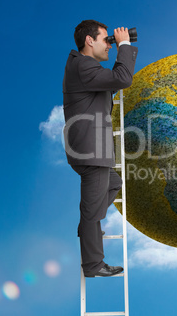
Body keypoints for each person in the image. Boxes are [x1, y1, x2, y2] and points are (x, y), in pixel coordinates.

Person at [62, 20, 138, 277]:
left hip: (94, 150)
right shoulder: (84, 65)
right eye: (106, 39)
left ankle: (88, 226)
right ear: (89, 41)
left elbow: (114, 82)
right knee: (92, 211)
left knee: (114, 183)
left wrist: (121, 49)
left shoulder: (84, 67)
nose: (109, 44)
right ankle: (93, 265)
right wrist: (124, 44)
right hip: (91, 152)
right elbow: (123, 79)